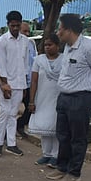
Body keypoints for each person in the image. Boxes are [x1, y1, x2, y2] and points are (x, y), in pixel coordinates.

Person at [46, 14, 91, 181]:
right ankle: (62, 167)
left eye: (60, 29)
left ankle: (74, 173)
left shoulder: (88, 49)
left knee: (77, 137)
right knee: (63, 134)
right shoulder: (68, 46)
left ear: (70, 30)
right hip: (65, 97)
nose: (58, 33)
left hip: (81, 98)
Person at [0, 10, 29, 157]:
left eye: (17, 25)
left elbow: (25, 64)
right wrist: (4, 85)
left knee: (13, 114)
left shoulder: (26, 41)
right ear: (8, 25)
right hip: (6, 84)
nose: (15, 28)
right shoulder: (2, 41)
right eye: (12, 25)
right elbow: (0, 65)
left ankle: (12, 144)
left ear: (20, 24)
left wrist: (25, 85)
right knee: (4, 113)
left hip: (20, 83)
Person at [28, 33, 63, 168]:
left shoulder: (64, 60)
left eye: (50, 45)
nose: (47, 47)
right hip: (42, 97)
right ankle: (46, 154)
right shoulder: (39, 60)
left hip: (58, 97)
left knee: (55, 126)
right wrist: (31, 100)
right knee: (44, 126)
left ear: (58, 46)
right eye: (46, 45)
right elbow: (34, 81)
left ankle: (55, 155)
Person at [16, 22, 37, 139]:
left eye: (28, 31)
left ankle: (20, 124)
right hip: (17, 82)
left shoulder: (31, 43)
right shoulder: (15, 44)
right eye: (25, 31)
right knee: (11, 110)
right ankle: (4, 134)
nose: (27, 34)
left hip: (29, 82)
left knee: (31, 106)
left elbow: (33, 61)